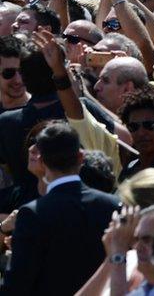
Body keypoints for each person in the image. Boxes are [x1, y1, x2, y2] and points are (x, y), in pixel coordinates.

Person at [2, 122, 121, 295]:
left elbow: (16, 286)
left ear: (42, 161)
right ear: (81, 157)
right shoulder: (112, 205)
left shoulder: (32, 213)